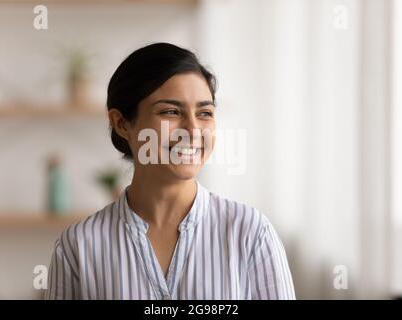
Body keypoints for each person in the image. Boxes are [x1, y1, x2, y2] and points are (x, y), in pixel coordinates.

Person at [45, 42, 295, 300]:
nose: (193, 130)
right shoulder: (77, 247)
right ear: (121, 123)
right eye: (170, 111)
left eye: (205, 113)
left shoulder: (251, 234)